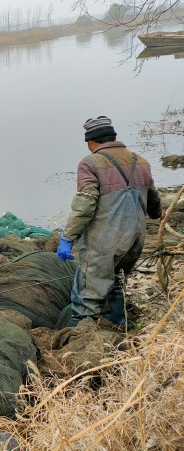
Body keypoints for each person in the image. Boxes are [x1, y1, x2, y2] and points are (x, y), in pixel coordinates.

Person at [57, 116, 163, 326]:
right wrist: (159, 213)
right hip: (135, 241)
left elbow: (85, 204)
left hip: (104, 243)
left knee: (86, 295)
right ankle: (118, 327)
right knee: (116, 283)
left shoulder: (90, 163)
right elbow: (154, 203)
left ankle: (82, 342)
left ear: (91, 142)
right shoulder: (140, 161)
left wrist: (68, 238)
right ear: (114, 136)